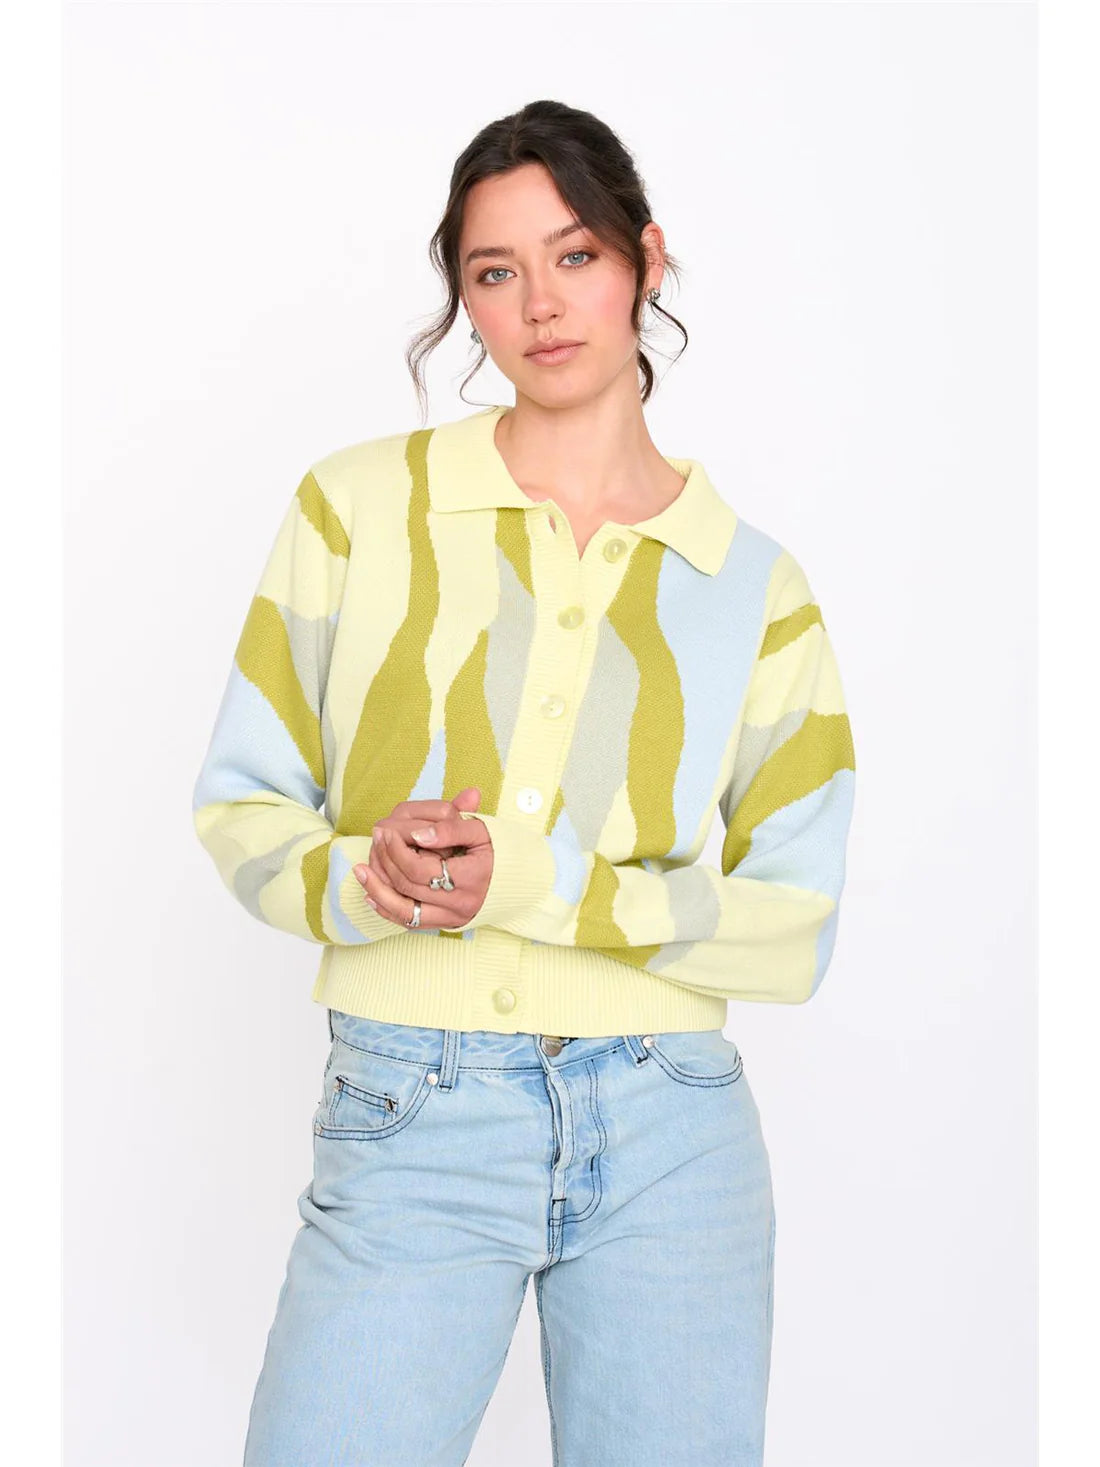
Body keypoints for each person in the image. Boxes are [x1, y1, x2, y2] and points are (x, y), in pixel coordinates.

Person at [192, 98, 856, 1467]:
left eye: (576, 256)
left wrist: (547, 889)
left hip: (674, 1129)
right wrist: (365, 879)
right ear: (464, 299)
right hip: (411, 1106)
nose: (541, 305)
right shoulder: (355, 509)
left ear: (645, 260)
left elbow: (795, 923)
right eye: (495, 272)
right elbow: (243, 803)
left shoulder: (750, 585)